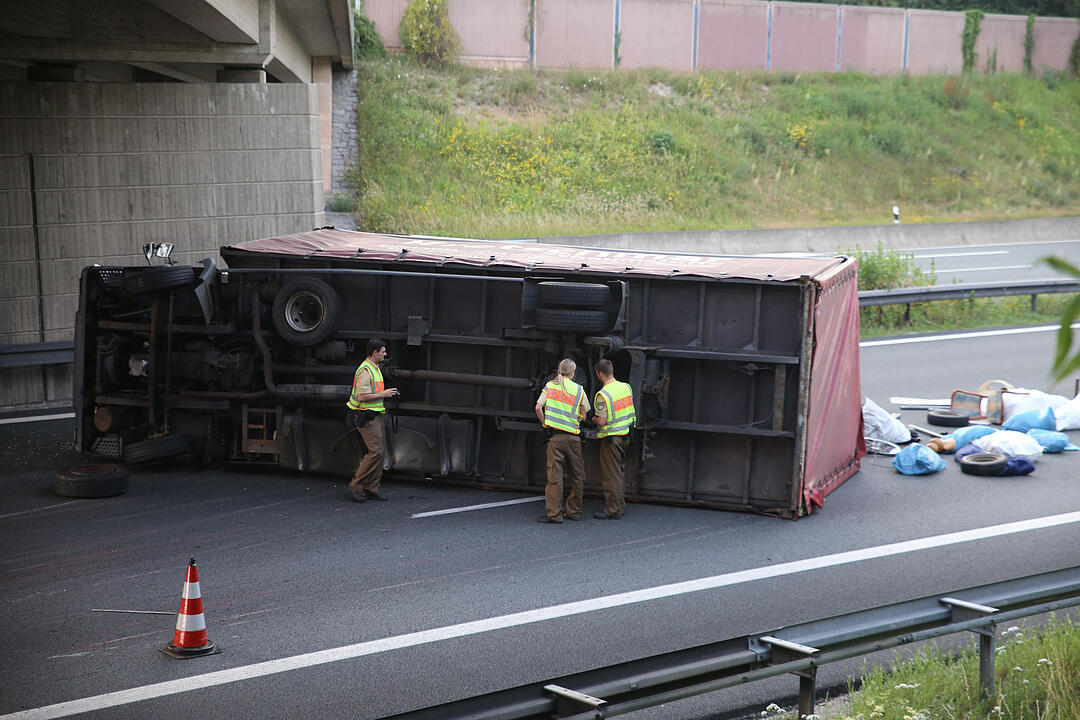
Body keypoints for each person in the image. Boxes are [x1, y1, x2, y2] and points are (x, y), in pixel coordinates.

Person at [534, 358, 590, 523]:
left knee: (554, 477)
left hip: (555, 438)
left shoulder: (550, 386)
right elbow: (584, 414)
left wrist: (545, 423)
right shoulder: (579, 390)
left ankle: (554, 515)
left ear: (559, 370)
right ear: (573, 372)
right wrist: (576, 419)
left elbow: (538, 407)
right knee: (577, 476)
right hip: (573, 438)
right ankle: (574, 512)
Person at [345, 338, 399, 503]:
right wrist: (384, 394)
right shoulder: (365, 370)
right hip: (366, 416)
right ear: (375, 353)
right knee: (375, 452)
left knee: (379, 453)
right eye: (383, 351)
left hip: (374, 415)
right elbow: (361, 396)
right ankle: (356, 486)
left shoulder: (374, 368)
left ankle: (371, 488)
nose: (385, 354)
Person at [591, 358, 635, 519]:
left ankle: (613, 510)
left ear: (599, 373)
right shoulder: (626, 387)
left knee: (611, 476)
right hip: (626, 436)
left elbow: (602, 421)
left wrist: (592, 419)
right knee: (620, 473)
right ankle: (620, 505)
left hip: (612, 439)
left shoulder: (603, 394)